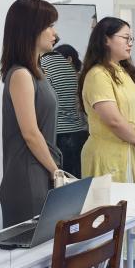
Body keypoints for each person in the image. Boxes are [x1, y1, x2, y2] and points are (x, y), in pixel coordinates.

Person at [80, 17, 135, 268]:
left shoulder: (125, 71)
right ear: (106, 40)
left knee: (124, 219)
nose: (130, 43)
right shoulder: (98, 74)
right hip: (106, 155)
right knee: (105, 223)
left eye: (131, 38)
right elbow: (112, 119)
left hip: (128, 153)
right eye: (125, 37)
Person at [0, 0, 62, 227]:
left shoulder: (37, 72)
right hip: (28, 176)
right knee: (34, 242)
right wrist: (56, 172)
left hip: (41, 170)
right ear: (31, 29)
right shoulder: (21, 75)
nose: (54, 33)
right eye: (49, 26)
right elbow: (30, 133)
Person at [40, 44, 87, 179]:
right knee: (77, 179)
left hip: (59, 134)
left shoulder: (44, 65)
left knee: (61, 181)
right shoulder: (74, 71)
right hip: (81, 132)